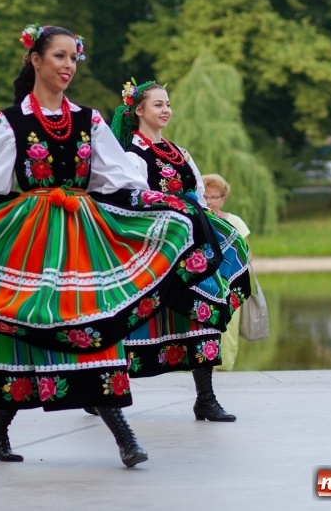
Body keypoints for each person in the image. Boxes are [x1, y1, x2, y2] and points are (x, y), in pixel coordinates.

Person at [0, 24, 224, 467]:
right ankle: (3, 425)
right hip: (32, 239)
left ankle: (109, 434)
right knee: (33, 326)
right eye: (59, 56)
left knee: (89, 321)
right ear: (36, 60)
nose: (68, 66)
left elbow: (116, 178)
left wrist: (163, 203)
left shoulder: (89, 120)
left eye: (73, 58)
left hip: (84, 236)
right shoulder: (10, 122)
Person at [110, 81, 250, 422]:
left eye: (168, 104)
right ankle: (106, 394)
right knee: (131, 317)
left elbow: (199, 195)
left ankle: (206, 398)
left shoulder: (179, 151)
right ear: (138, 110)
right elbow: (133, 200)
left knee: (203, 310)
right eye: (158, 104)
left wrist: (198, 220)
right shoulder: (132, 156)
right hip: (157, 244)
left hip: (191, 241)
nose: (166, 110)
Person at [201, 173, 251, 372]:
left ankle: (223, 367)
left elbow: (246, 254)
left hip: (228, 284)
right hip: (203, 283)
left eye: (215, 197)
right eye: (205, 196)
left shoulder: (234, 221)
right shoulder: (196, 219)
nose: (210, 201)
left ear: (223, 199)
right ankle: (200, 365)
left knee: (228, 328)